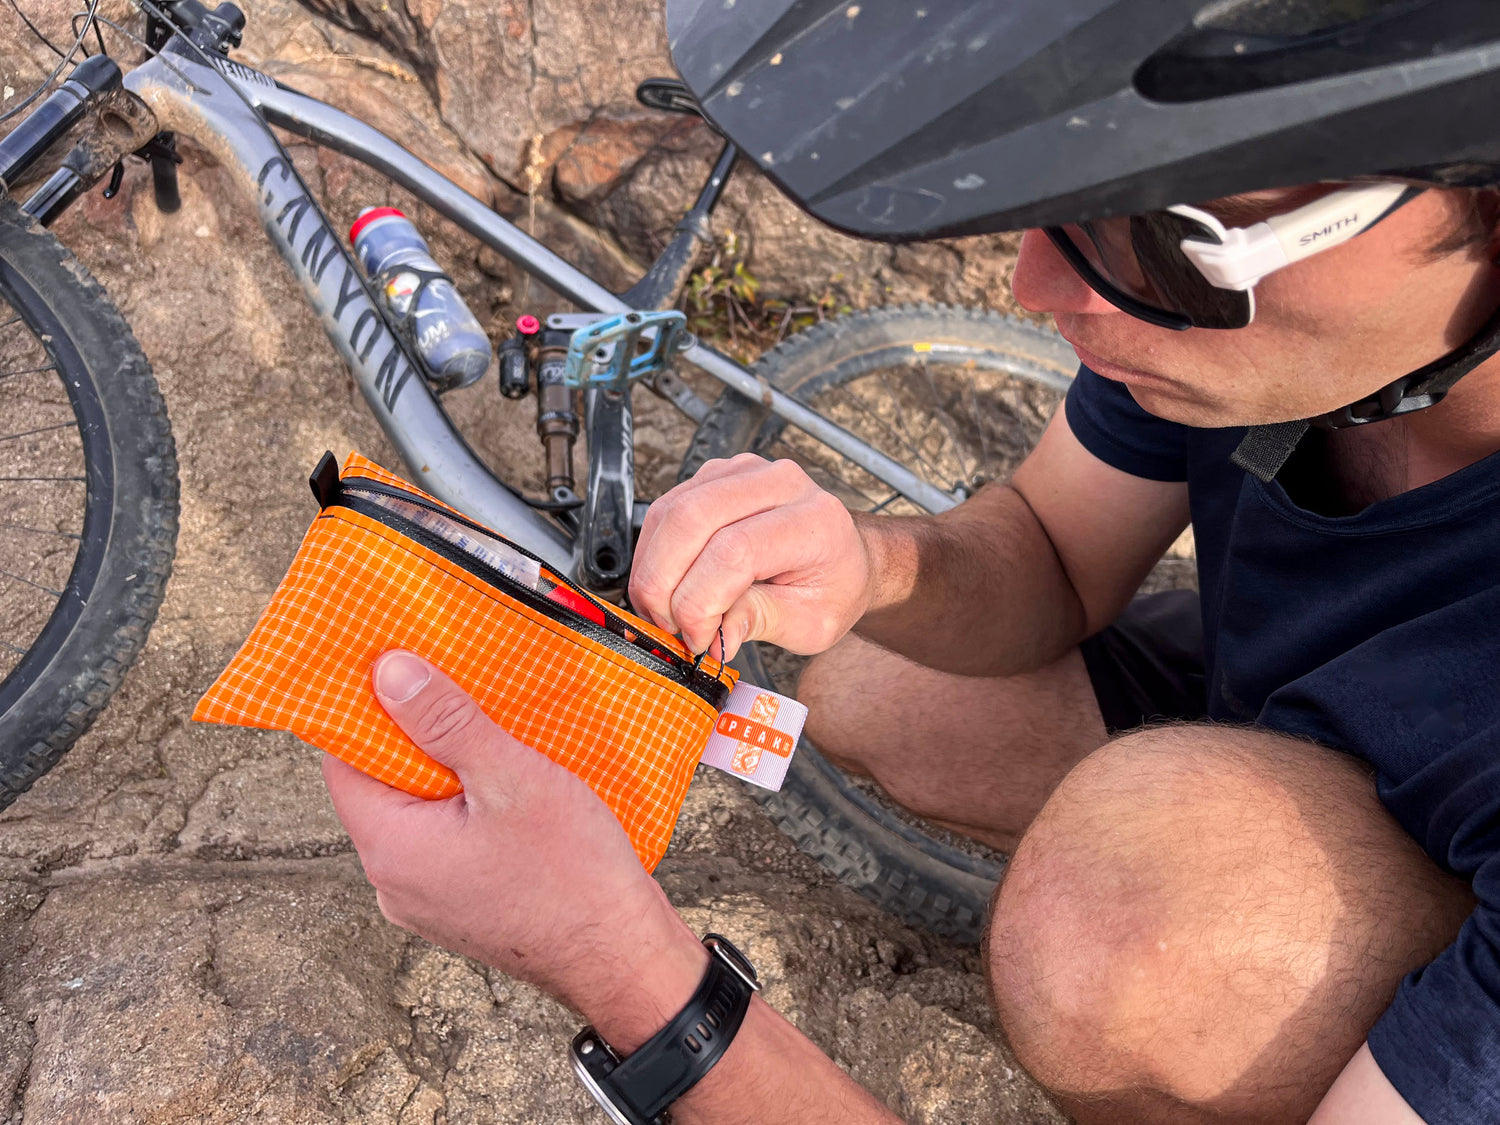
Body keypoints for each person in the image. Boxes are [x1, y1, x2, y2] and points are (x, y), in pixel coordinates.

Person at [321, 4, 1500, 1123]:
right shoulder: (1239, 333)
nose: (1041, 289)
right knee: (880, 676)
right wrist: (867, 563)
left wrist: (624, 971)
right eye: (1080, 189)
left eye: (1165, 234)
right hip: (1346, 734)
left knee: (1114, 945)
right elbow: (1050, 552)